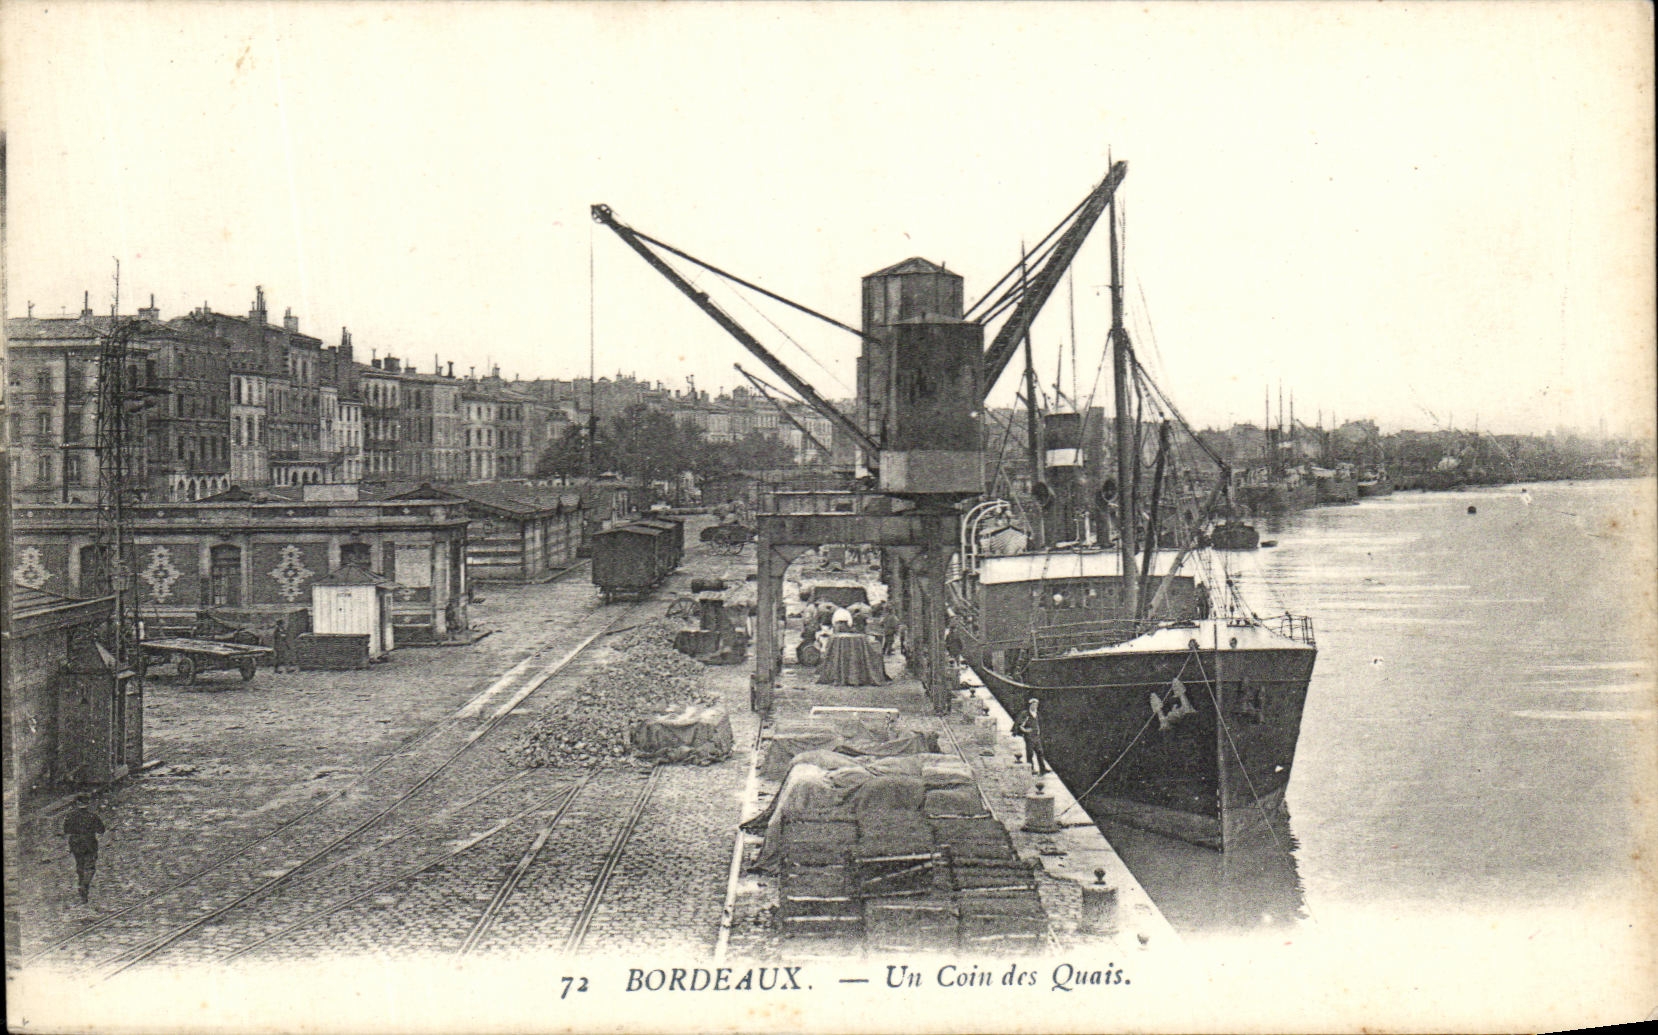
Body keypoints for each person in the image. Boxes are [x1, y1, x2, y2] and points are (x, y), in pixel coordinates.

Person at [62, 794, 106, 904]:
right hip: (89, 844)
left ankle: (82, 889)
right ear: (87, 804)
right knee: (90, 867)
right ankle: (84, 885)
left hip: (76, 844)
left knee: (80, 866)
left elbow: (66, 830)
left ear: (77, 804)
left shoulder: (70, 816)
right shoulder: (93, 817)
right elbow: (101, 830)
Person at [1016, 699, 1047, 775]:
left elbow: (1039, 724)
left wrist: (1039, 732)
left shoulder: (1036, 714)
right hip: (1029, 737)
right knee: (1030, 753)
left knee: (1040, 752)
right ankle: (1031, 769)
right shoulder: (1026, 714)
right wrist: (1026, 731)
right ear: (1030, 705)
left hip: (1036, 736)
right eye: (1033, 705)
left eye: (1036, 705)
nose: (1035, 706)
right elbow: (1020, 725)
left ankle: (1042, 769)